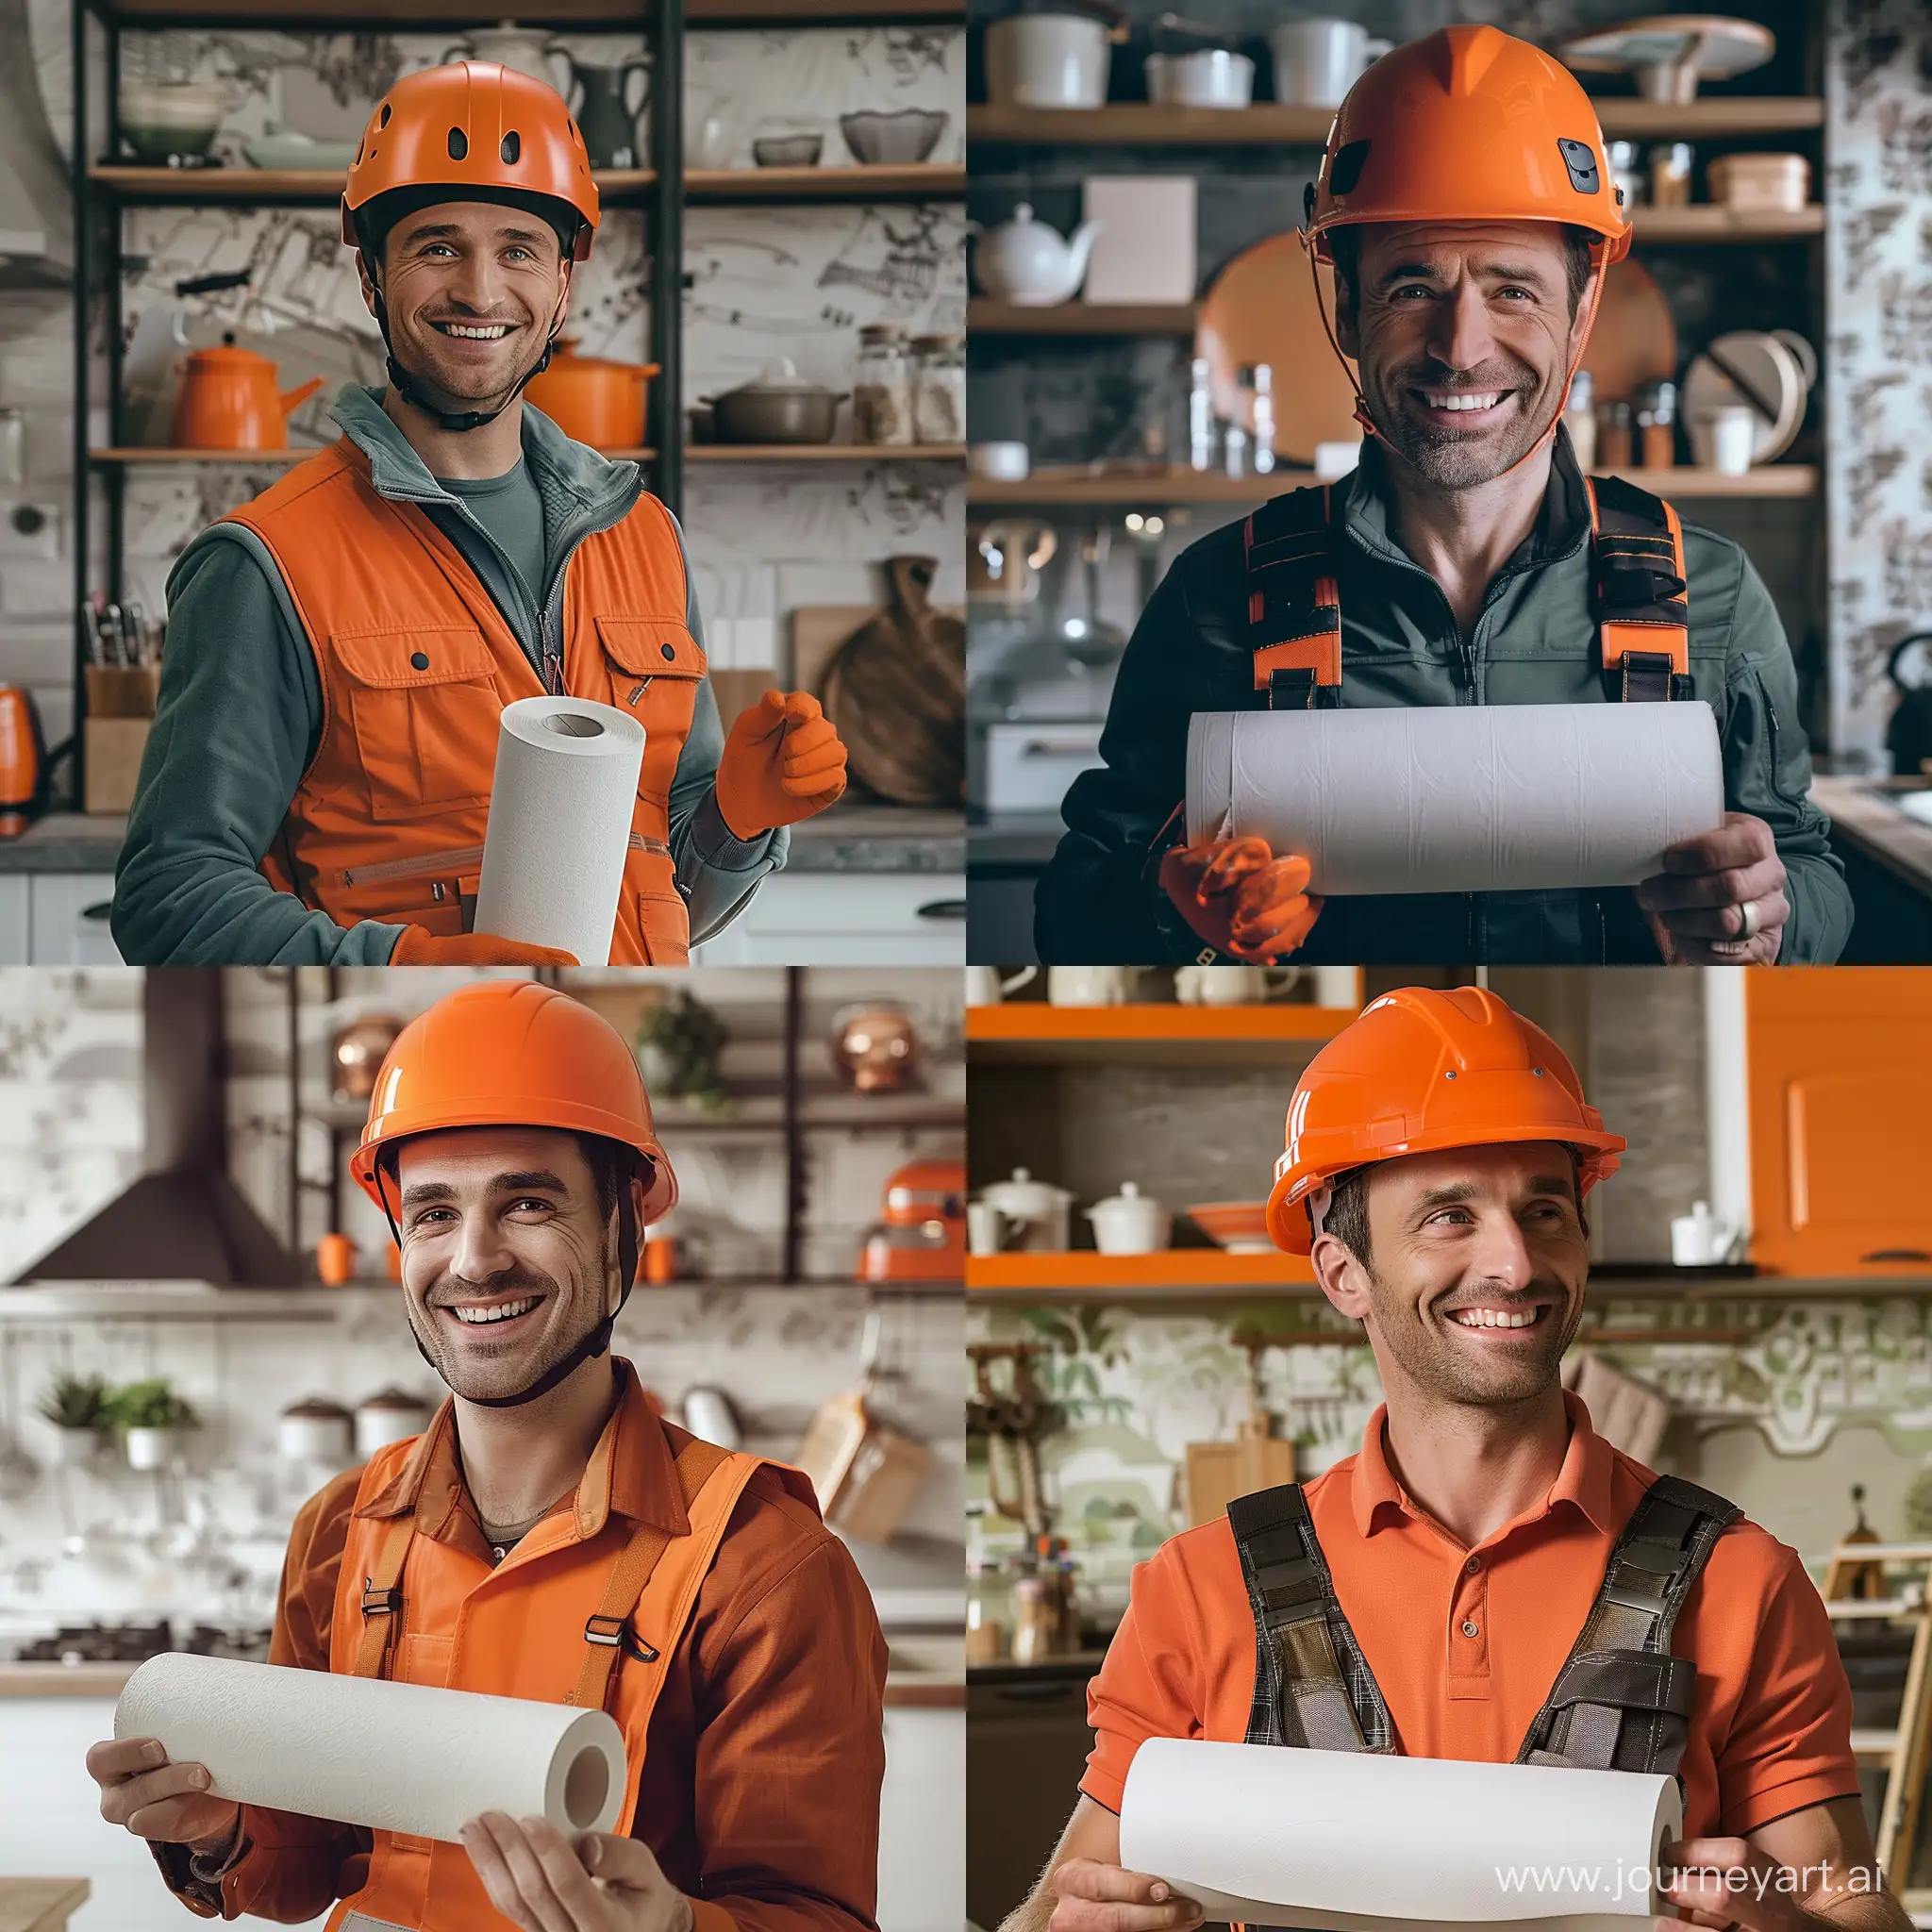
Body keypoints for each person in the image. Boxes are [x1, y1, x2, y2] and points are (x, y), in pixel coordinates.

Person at [1002, 988, 1899, 1932]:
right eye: (1447, 1215)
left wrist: (1767, 1919)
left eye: (1543, 1209)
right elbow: (1051, 1910)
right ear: (1342, 1273)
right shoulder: (1198, 1585)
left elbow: (1838, 1901)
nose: (1514, 1262)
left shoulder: (1738, 1580)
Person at [1038, 25, 1850, 968]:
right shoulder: (1217, 597)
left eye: (1511, 291)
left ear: (1581, 307)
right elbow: (1074, 905)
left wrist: (1768, 916)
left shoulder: (1706, 594)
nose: (1459, 347)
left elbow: (1808, 869)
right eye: (1411, 288)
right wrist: (1169, 910)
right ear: (1345, 308)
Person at [88, 981, 887, 1932]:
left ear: (621, 1222)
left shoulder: (765, 1566)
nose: (472, 1259)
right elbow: (305, 1863)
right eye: (432, 1212)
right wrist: (218, 1831)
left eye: (528, 1201)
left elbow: (821, 1915)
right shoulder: (342, 1529)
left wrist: (673, 1927)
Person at [113, 61, 849, 968]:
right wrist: (404, 966)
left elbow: (668, 904)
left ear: (563, 287)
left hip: (612, 1040)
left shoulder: (644, 537)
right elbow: (169, 899)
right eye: (436, 247)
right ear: (373, 275)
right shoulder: (267, 566)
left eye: (518, 249)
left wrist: (734, 825)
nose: (481, 291)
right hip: (416, 1041)